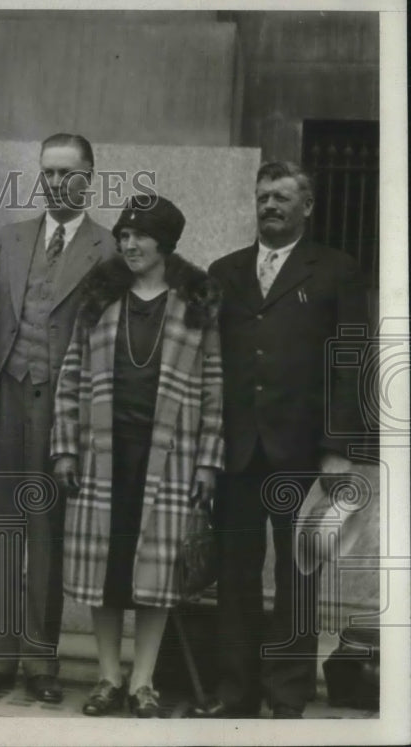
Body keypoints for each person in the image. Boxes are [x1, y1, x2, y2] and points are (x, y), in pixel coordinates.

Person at [193, 161, 367, 718]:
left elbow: (350, 360)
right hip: (237, 451)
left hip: (303, 454)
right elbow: (208, 363)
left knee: (299, 578)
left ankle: (289, 695)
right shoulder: (225, 270)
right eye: (263, 196)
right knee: (236, 576)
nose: (270, 205)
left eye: (283, 197)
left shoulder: (336, 270)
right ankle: (235, 692)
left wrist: (339, 447)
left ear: (307, 207)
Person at [51, 195, 224, 717]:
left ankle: (143, 682)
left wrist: (208, 463)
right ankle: (107, 678)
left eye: (139, 236)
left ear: (165, 243)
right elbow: (70, 376)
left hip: (169, 457)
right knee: (106, 569)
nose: (128, 244)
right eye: (123, 235)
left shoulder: (196, 305)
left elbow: (214, 389)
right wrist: (64, 449)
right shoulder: (100, 298)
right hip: (103, 455)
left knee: (156, 574)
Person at [0, 133, 116, 703]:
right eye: (48, 172)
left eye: (67, 173)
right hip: (3, 396)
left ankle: (40, 662)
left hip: (60, 406)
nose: (56, 182)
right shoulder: (7, 240)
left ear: (89, 176)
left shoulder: (108, 248)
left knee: (46, 533)